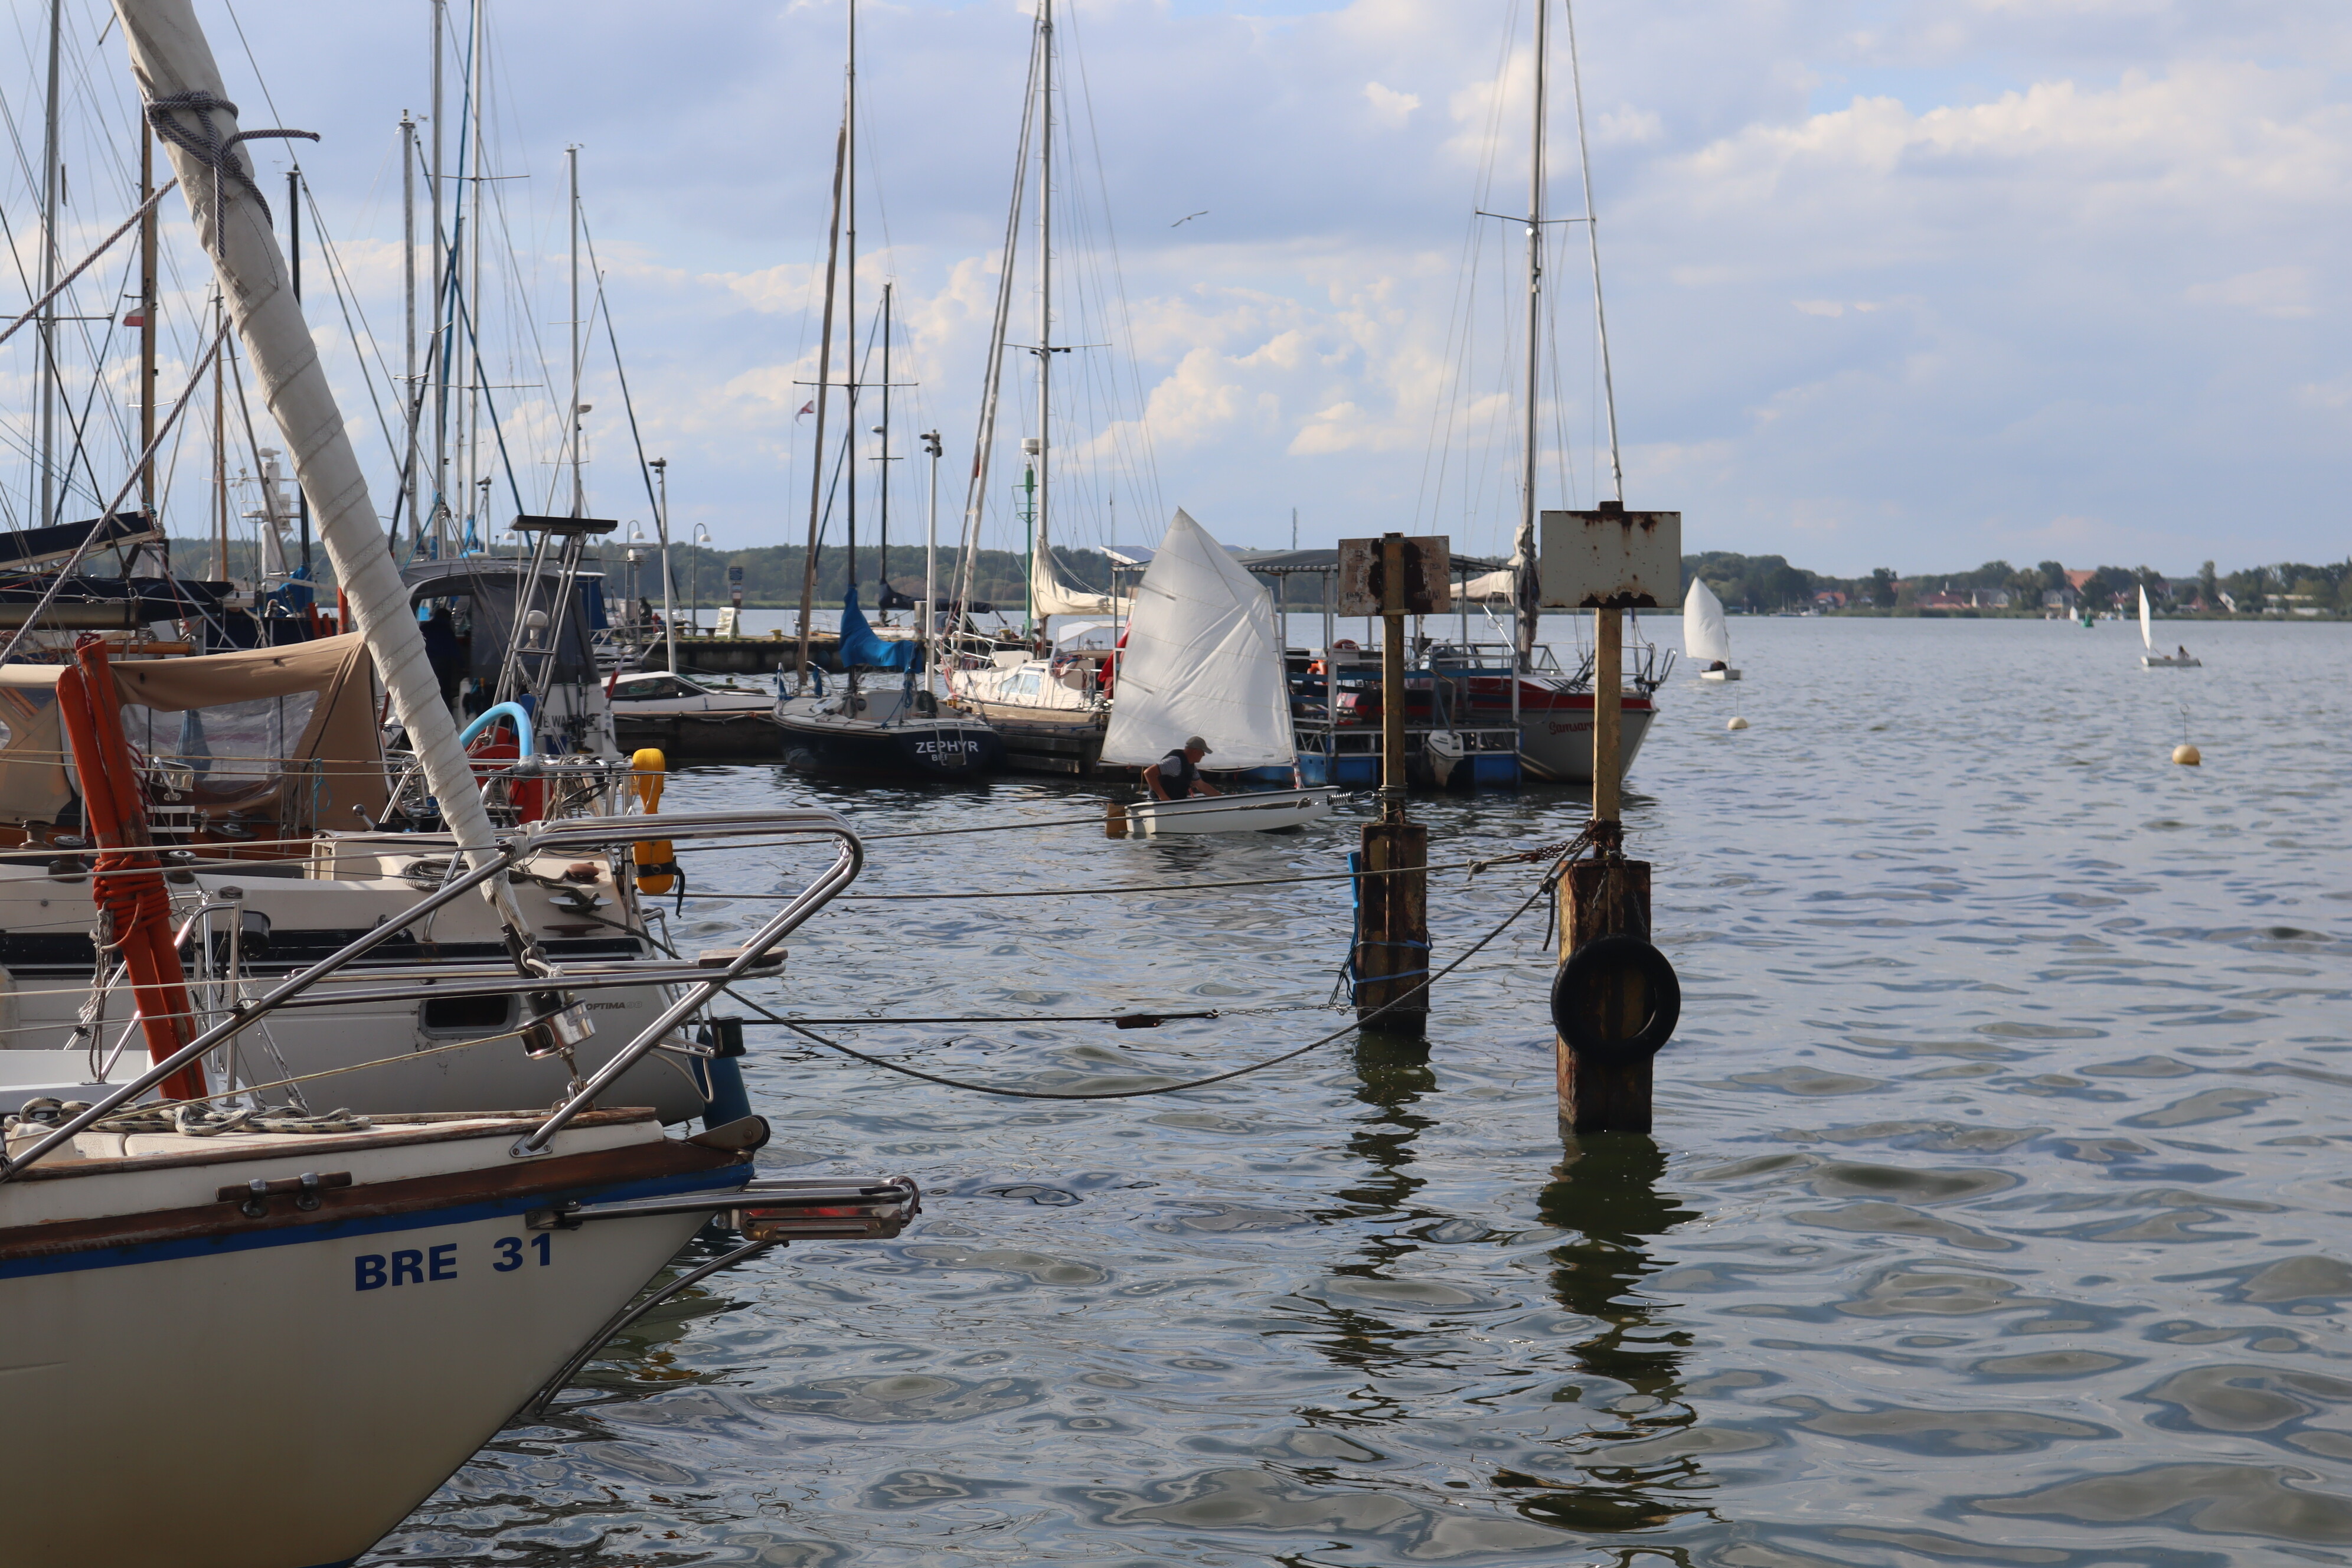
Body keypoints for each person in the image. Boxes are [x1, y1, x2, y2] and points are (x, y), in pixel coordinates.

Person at [1143, 736, 1221, 801]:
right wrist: (1163, 796)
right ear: (1195, 752)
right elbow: (1149, 773)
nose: (1204, 755)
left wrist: (1222, 799)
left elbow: (1201, 785)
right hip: (1159, 804)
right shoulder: (1175, 762)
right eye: (1203, 752)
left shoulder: (1191, 766)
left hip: (1175, 803)